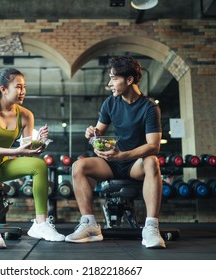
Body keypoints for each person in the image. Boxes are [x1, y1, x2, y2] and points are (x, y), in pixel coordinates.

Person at [65, 56, 166, 249]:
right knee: (79, 166)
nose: (109, 83)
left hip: (134, 164)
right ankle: (90, 225)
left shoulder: (149, 107)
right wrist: (92, 134)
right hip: (112, 162)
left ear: (129, 80)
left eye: (114, 78)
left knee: (152, 160)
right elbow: (98, 133)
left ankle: (151, 228)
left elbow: (154, 145)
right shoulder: (110, 103)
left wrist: (122, 155)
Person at [0, 67, 65, 249]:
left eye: (24, 87)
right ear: (3, 89)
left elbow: (28, 150)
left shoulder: (25, 115)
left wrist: (38, 142)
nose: (23, 91)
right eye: (18, 87)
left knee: (38, 165)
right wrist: (17, 151)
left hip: (1, 163)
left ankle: (40, 224)